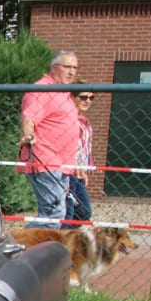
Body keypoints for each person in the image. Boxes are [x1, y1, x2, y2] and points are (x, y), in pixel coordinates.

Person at [19, 51, 80, 226]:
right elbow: (28, 117)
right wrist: (28, 135)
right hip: (44, 159)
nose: (71, 72)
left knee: (57, 212)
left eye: (75, 68)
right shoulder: (42, 89)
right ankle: (20, 246)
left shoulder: (64, 92)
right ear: (54, 67)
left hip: (62, 163)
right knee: (53, 213)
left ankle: (36, 248)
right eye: (67, 67)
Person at [66, 89, 95, 223]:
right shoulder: (67, 119)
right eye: (83, 97)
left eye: (91, 98)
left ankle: (68, 240)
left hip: (79, 172)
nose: (87, 101)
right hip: (68, 170)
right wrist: (74, 163)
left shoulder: (84, 120)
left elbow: (85, 148)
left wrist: (85, 169)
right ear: (72, 97)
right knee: (67, 212)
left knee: (83, 212)